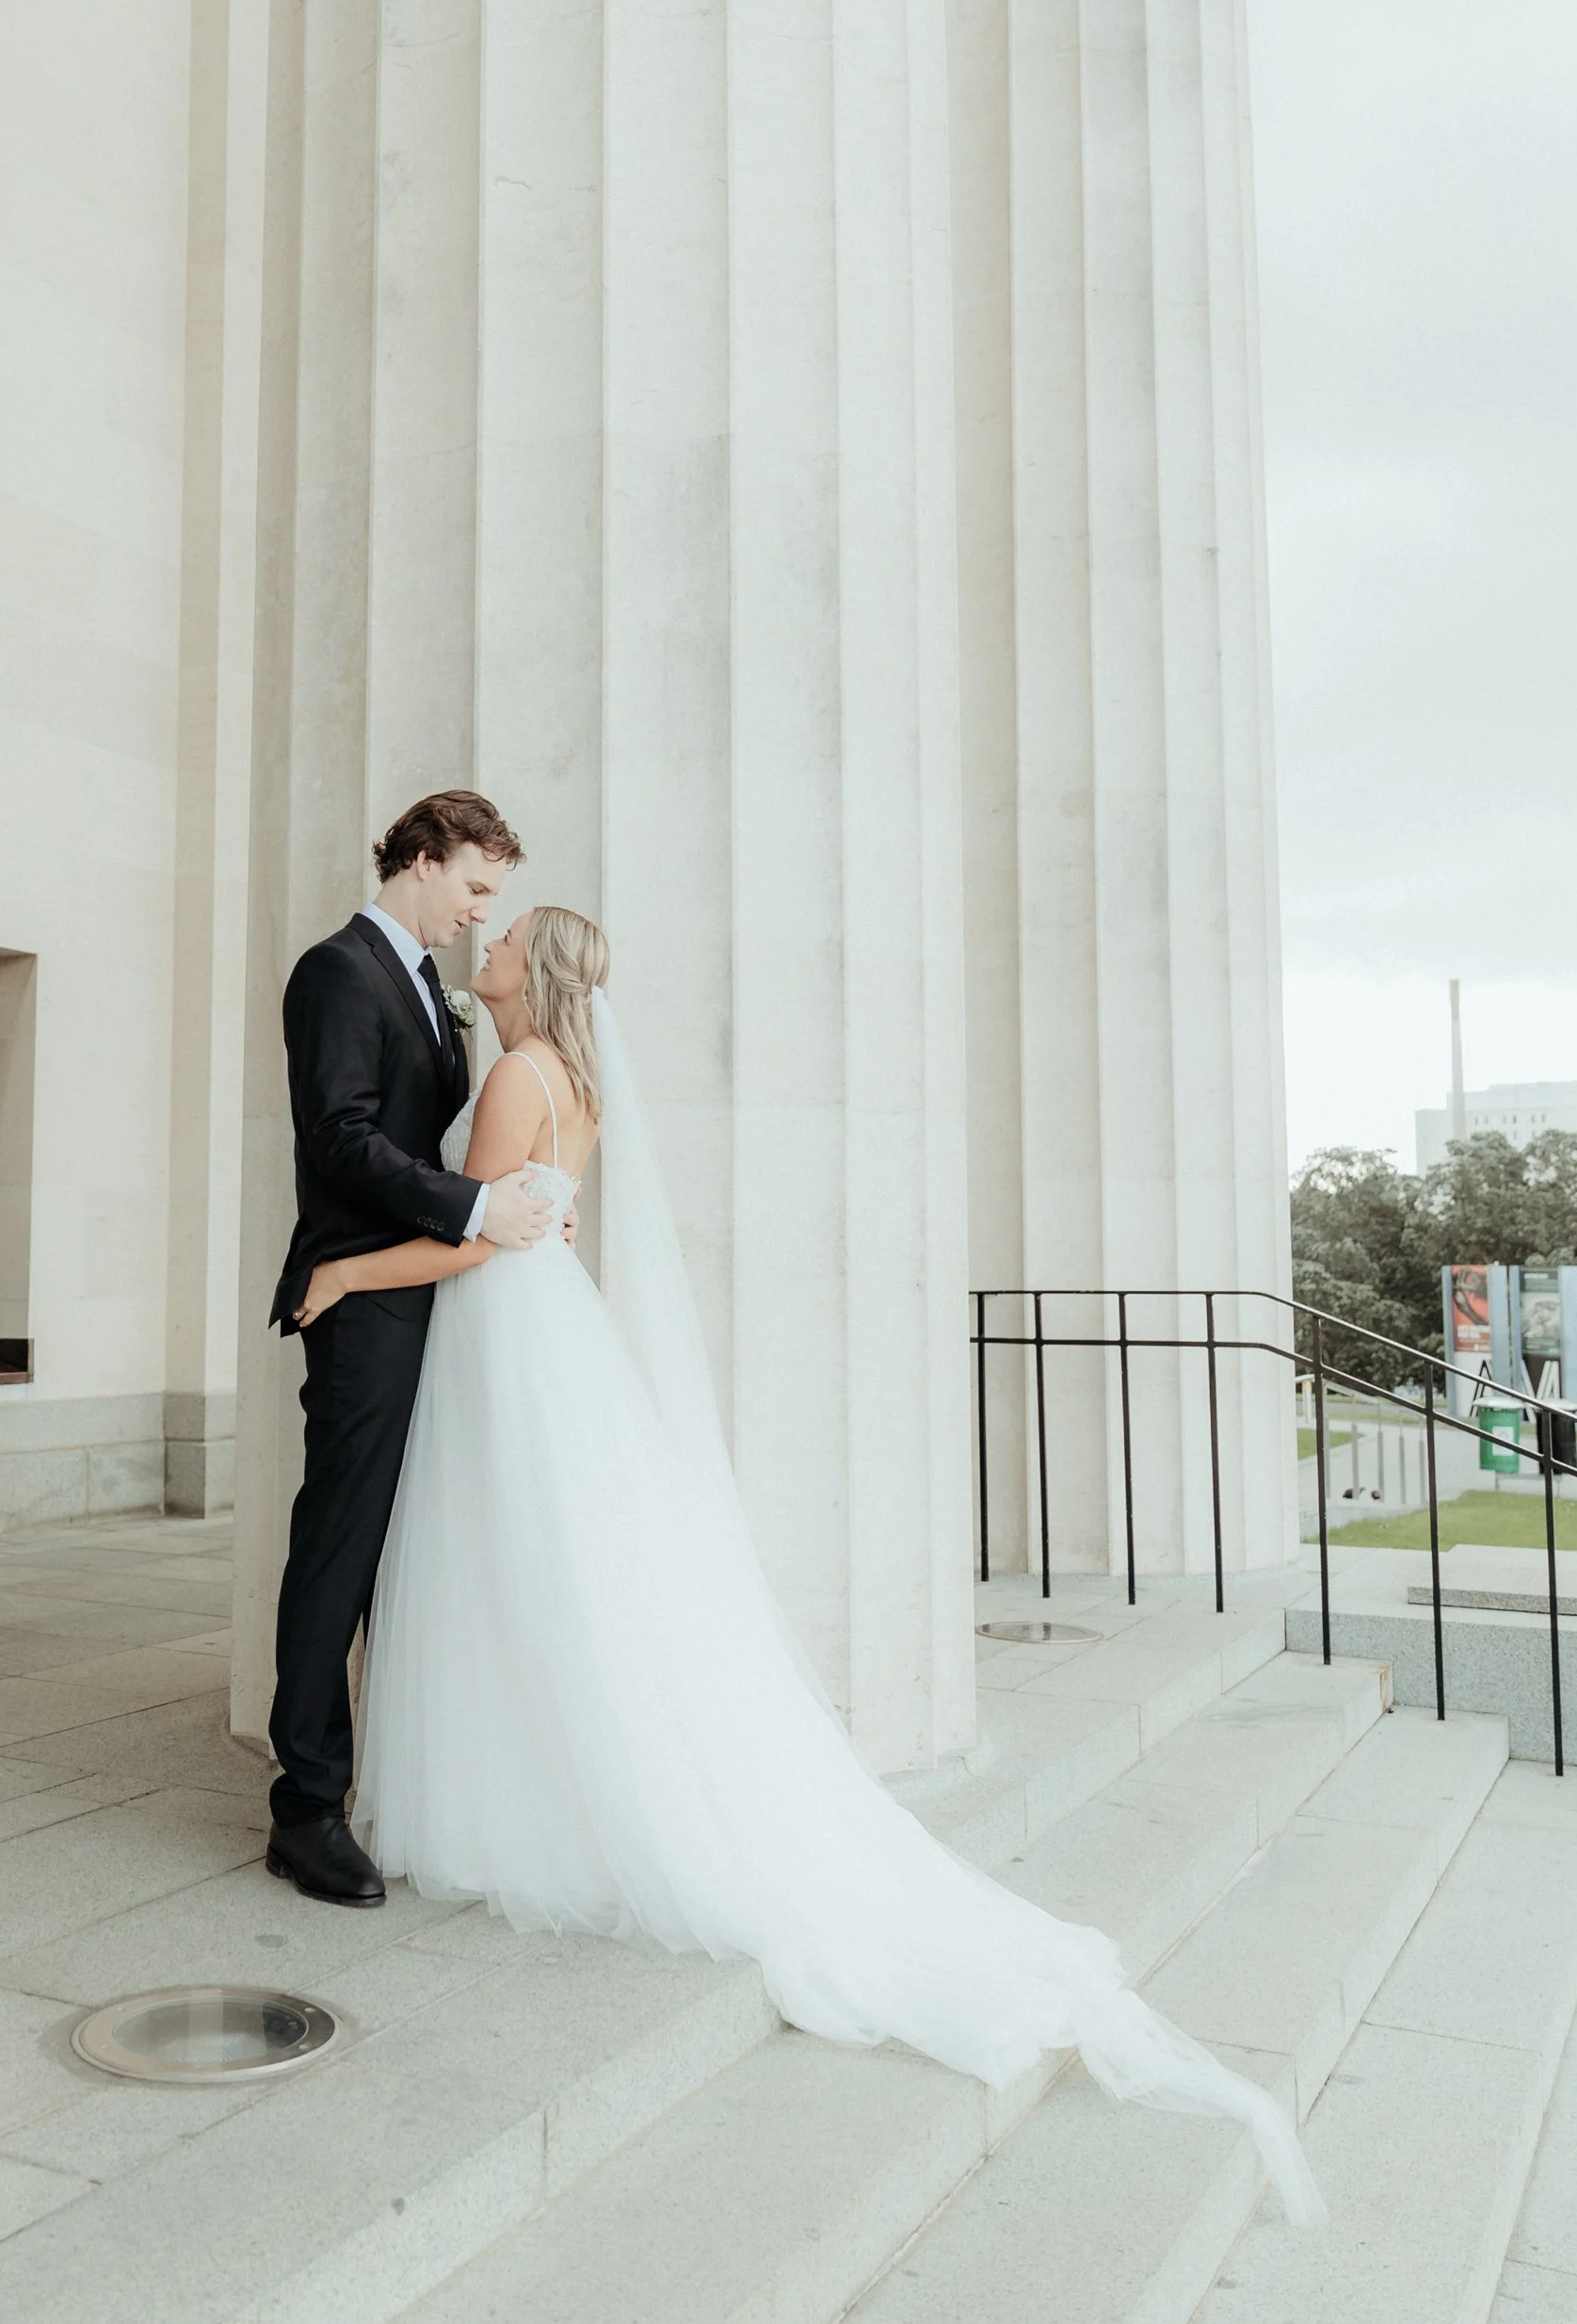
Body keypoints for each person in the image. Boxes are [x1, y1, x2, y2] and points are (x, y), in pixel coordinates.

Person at [293, 904, 1325, 2224]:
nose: (478, 947)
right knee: (553, 1583)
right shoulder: (573, 1078)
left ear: (530, 976)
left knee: (522, 1576)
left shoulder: (515, 1073)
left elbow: (481, 1234)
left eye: (500, 943)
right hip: (546, 1337)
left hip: (508, 1336)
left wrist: (343, 1273)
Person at [263, 791, 557, 1906]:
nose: (483, 915)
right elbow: (337, 1138)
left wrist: (522, 1201)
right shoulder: (335, 970)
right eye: (476, 888)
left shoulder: (433, 988)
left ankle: (393, 1776)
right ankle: (303, 1809)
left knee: (410, 1554)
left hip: (434, 1299)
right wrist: (477, 1205)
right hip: (366, 1315)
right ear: (422, 861)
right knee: (337, 1549)